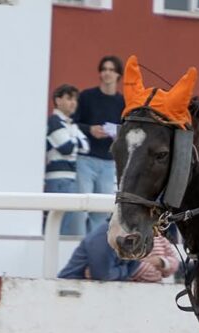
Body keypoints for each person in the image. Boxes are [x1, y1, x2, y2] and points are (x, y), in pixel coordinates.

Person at [73, 55, 124, 234]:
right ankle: (76, 245)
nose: (107, 73)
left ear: (118, 75)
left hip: (108, 163)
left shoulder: (122, 102)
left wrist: (117, 133)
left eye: (111, 70)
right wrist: (90, 130)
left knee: (101, 211)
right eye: (104, 70)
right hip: (85, 159)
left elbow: (127, 131)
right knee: (80, 209)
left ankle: (94, 248)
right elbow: (74, 123)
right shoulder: (87, 96)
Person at [45, 83, 89, 236]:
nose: (73, 103)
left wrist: (72, 139)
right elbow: (67, 148)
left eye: (75, 99)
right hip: (57, 179)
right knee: (57, 222)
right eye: (69, 98)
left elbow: (86, 147)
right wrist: (75, 138)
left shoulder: (70, 125)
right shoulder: (54, 122)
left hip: (69, 178)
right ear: (58, 100)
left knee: (65, 221)